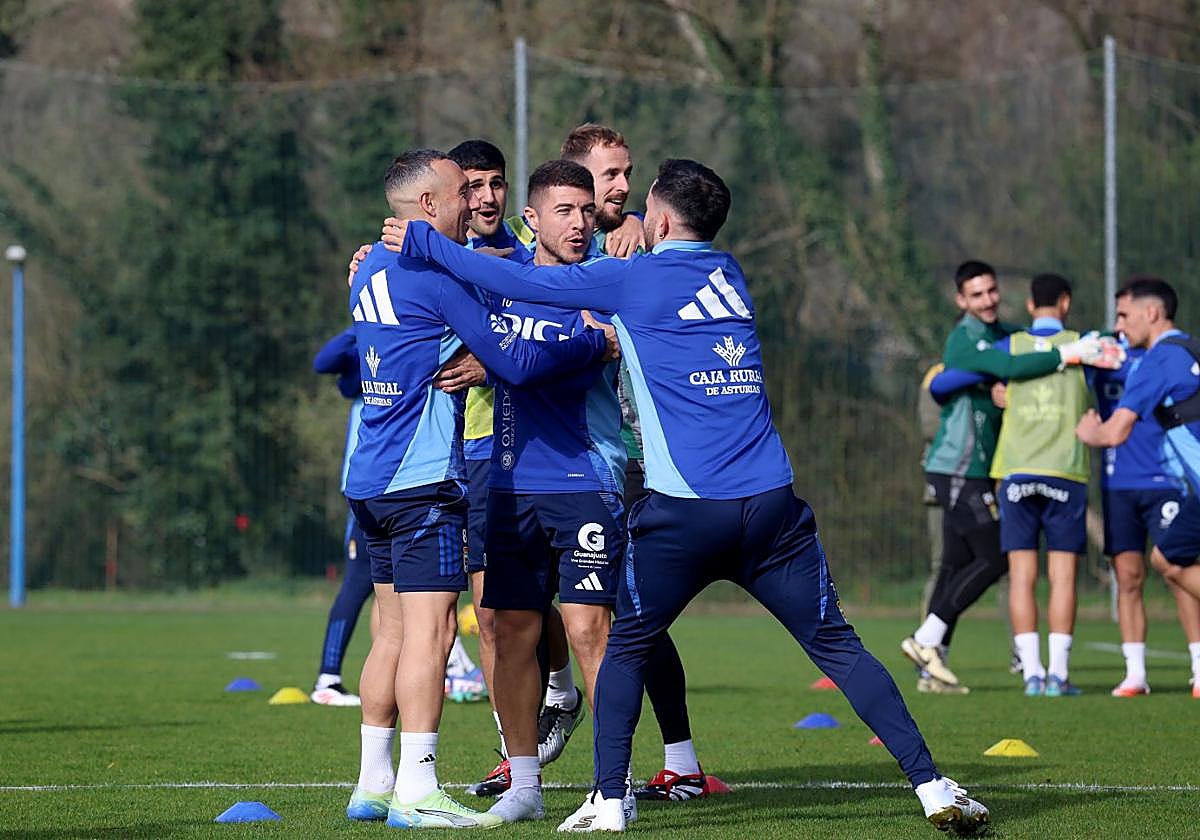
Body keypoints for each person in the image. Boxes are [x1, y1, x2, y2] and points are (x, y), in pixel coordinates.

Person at [390, 158, 991, 836]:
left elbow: (519, 278)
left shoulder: (635, 279)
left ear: (663, 220)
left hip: (686, 513)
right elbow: (649, 253)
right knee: (838, 647)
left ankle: (609, 800)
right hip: (773, 509)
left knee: (624, 651)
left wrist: (424, 242)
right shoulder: (731, 275)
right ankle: (932, 784)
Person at [342, 148, 616, 830]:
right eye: (461, 192)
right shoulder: (433, 283)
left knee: (390, 634)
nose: (475, 203)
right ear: (429, 207)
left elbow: (495, 267)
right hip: (422, 479)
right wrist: (594, 346)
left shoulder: (369, 267)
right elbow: (518, 361)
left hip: (366, 479)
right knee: (432, 637)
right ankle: (418, 790)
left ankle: (372, 785)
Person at [562, 122, 722, 801]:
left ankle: (670, 762)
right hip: (551, 457)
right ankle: (549, 717)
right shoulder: (542, 234)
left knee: (631, 614)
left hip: (629, 458)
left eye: (628, 172)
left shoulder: (645, 242)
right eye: (609, 174)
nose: (623, 186)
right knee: (537, 608)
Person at [903, 261, 1120, 692]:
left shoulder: (1007, 338)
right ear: (961, 301)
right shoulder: (963, 338)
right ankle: (926, 639)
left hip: (983, 470)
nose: (987, 300)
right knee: (995, 555)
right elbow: (960, 379)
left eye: (991, 291)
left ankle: (932, 664)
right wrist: (1065, 354)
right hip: (957, 466)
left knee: (954, 564)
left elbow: (1017, 363)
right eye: (976, 294)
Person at [1077, 276, 1200, 697]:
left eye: (1125, 315)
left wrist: (1089, 430)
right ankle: (1138, 674)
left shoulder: (1156, 360)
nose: (1120, 325)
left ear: (1152, 313)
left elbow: (1114, 433)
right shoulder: (1191, 349)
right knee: (1167, 559)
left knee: (1168, 561)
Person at [989, 274, 1096, 697]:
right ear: (1065, 303)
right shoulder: (1084, 345)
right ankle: (1059, 676)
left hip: (1016, 471)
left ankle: (1032, 673)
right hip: (1064, 471)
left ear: (1031, 306)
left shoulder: (1010, 347)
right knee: (1063, 576)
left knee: (1021, 576)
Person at [309, 328, 374, 706]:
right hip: (366, 487)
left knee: (402, 595)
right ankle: (327, 677)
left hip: (401, 483)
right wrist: (360, 326)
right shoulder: (364, 359)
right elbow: (323, 362)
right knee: (357, 583)